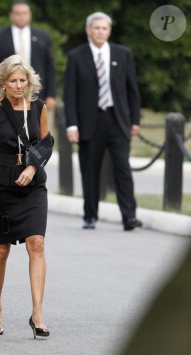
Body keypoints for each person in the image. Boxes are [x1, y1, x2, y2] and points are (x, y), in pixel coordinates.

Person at [0, 55, 52, 339]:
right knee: (1, 250)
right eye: (13, 81)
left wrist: (33, 167)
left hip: (33, 187)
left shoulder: (39, 108)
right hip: (4, 187)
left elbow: (46, 144)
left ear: (29, 81)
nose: (19, 85)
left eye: (23, 80)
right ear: (3, 82)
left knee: (37, 244)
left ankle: (37, 313)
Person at [64, 12, 142, 231]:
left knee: (122, 169)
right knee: (90, 170)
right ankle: (90, 215)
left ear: (109, 31)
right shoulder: (76, 56)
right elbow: (70, 94)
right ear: (88, 30)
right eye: (96, 28)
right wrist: (72, 124)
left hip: (117, 120)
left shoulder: (123, 54)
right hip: (90, 122)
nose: (100, 32)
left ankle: (129, 216)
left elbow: (131, 89)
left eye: (104, 28)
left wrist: (134, 120)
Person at [0, 1, 56, 111]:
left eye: (24, 13)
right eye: (17, 13)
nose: (21, 16)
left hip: (37, 93)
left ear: (30, 15)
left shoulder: (43, 37)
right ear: (11, 15)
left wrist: (51, 94)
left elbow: (50, 67)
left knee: (38, 127)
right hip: (6, 95)